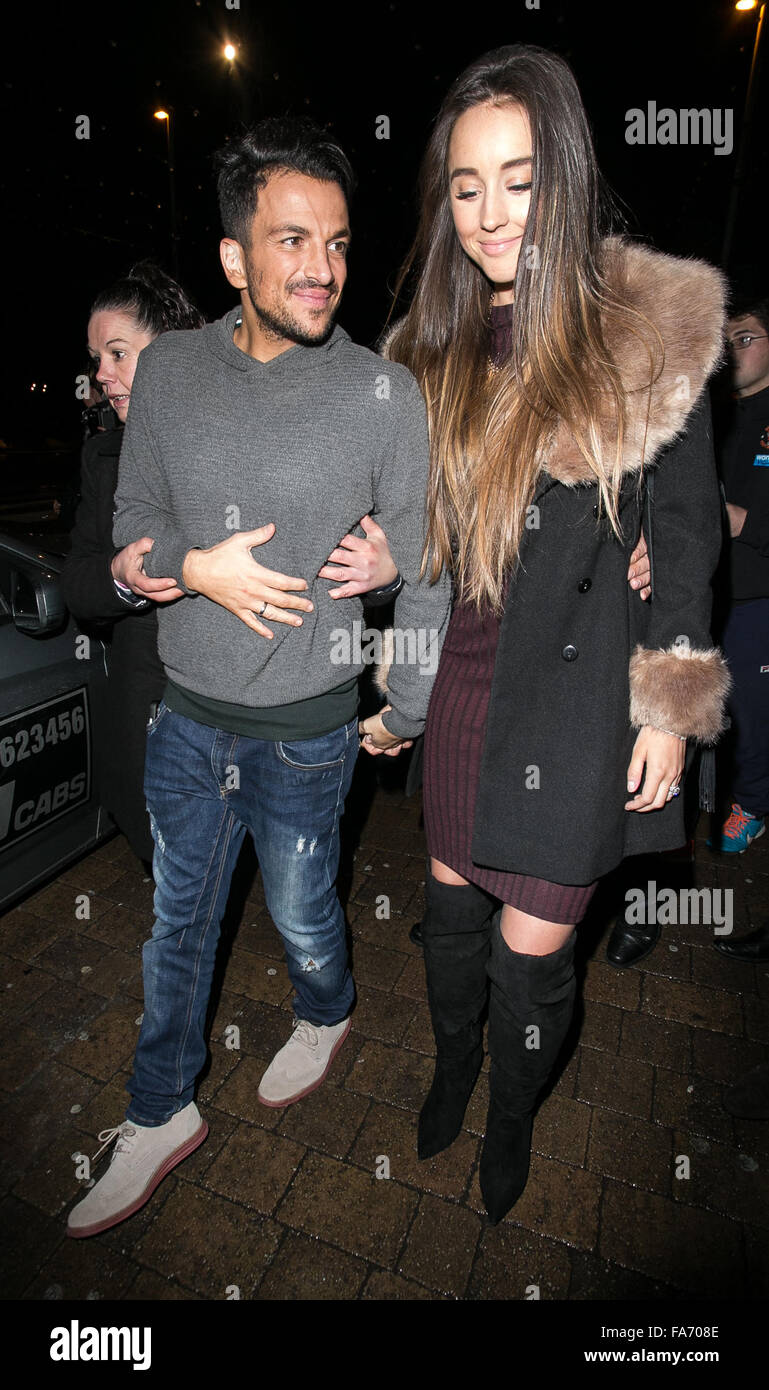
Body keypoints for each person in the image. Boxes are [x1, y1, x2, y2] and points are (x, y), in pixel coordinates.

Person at [359, 44, 730, 1225]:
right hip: (464, 680)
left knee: (535, 960)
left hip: (570, 707)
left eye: (517, 179)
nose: (490, 213)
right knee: (450, 927)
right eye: (465, 186)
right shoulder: (430, 348)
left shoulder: (646, 329)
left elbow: (684, 530)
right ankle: (453, 1064)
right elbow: (419, 527)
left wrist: (670, 704)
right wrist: (381, 560)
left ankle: (510, 1110)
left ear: (562, 175)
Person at [66, 116, 451, 1239]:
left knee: (299, 911)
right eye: (292, 240)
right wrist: (192, 569)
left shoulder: (385, 394)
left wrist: (408, 705)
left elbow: (422, 568)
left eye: (335, 241)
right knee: (175, 927)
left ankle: (325, 1012)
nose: (322, 268)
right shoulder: (172, 373)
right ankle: (157, 1112)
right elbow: (133, 525)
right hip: (186, 720)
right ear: (234, 257)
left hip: (309, 732)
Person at [60, 264, 206, 865]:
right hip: (146, 703)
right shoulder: (104, 455)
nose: (101, 374)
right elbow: (79, 583)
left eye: (118, 353)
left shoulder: (231, 433)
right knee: (167, 858)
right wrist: (122, 578)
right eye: (97, 358)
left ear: (168, 350)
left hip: (232, 696)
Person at [708, 297, 769, 868]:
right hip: (705, 588)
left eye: (746, 338)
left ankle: (751, 805)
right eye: (727, 341)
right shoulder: (710, 411)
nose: (734, 350)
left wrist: (743, 521)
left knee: (752, 709)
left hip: (756, 597)